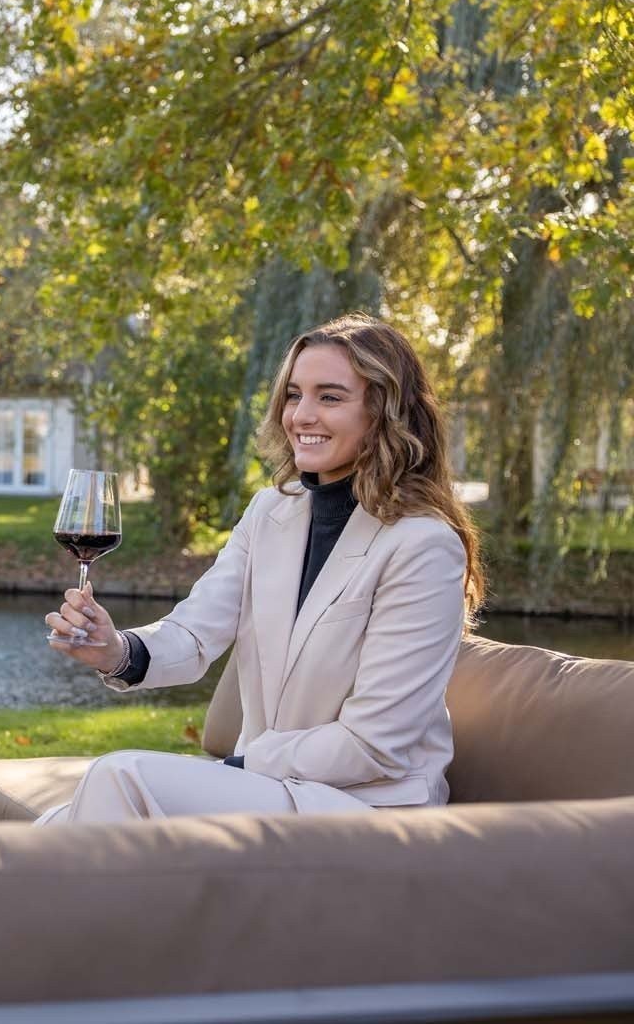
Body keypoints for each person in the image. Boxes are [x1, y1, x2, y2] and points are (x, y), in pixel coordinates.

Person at [41, 313, 484, 823]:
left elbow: (375, 745)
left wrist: (244, 764)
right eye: (294, 395)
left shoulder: (424, 545)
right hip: (268, 788)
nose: (301, 415)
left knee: (122, 777)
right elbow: (194, 630)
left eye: (330, 397)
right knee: (53, 826)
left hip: (370, 808)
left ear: (386, 413)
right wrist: (115, 651)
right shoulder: (272, 509)